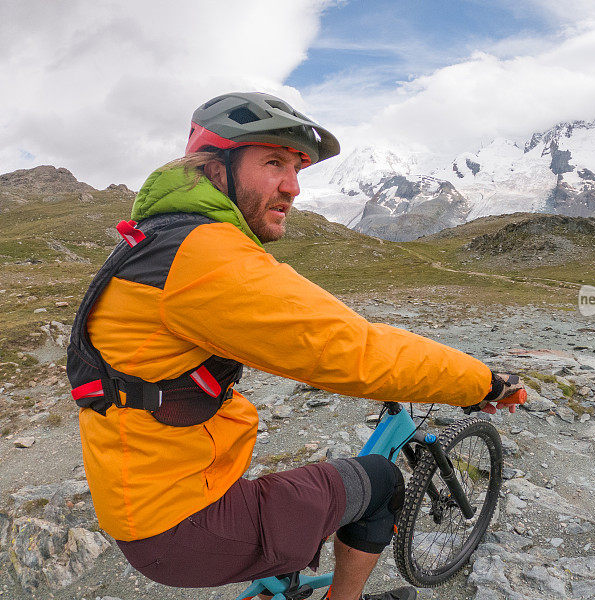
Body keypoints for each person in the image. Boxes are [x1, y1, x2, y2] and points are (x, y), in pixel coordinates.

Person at [67, 92, 525, 600]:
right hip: (178, 527)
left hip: (149, 496)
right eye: (273, 163)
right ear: (214, 169)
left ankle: (278, 581)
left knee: (306, 493)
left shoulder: (160, 237)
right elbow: (353, 350)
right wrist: (482, 382)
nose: (293, 187)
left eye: (297, 168)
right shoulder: (204, 256)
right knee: (381, 483)